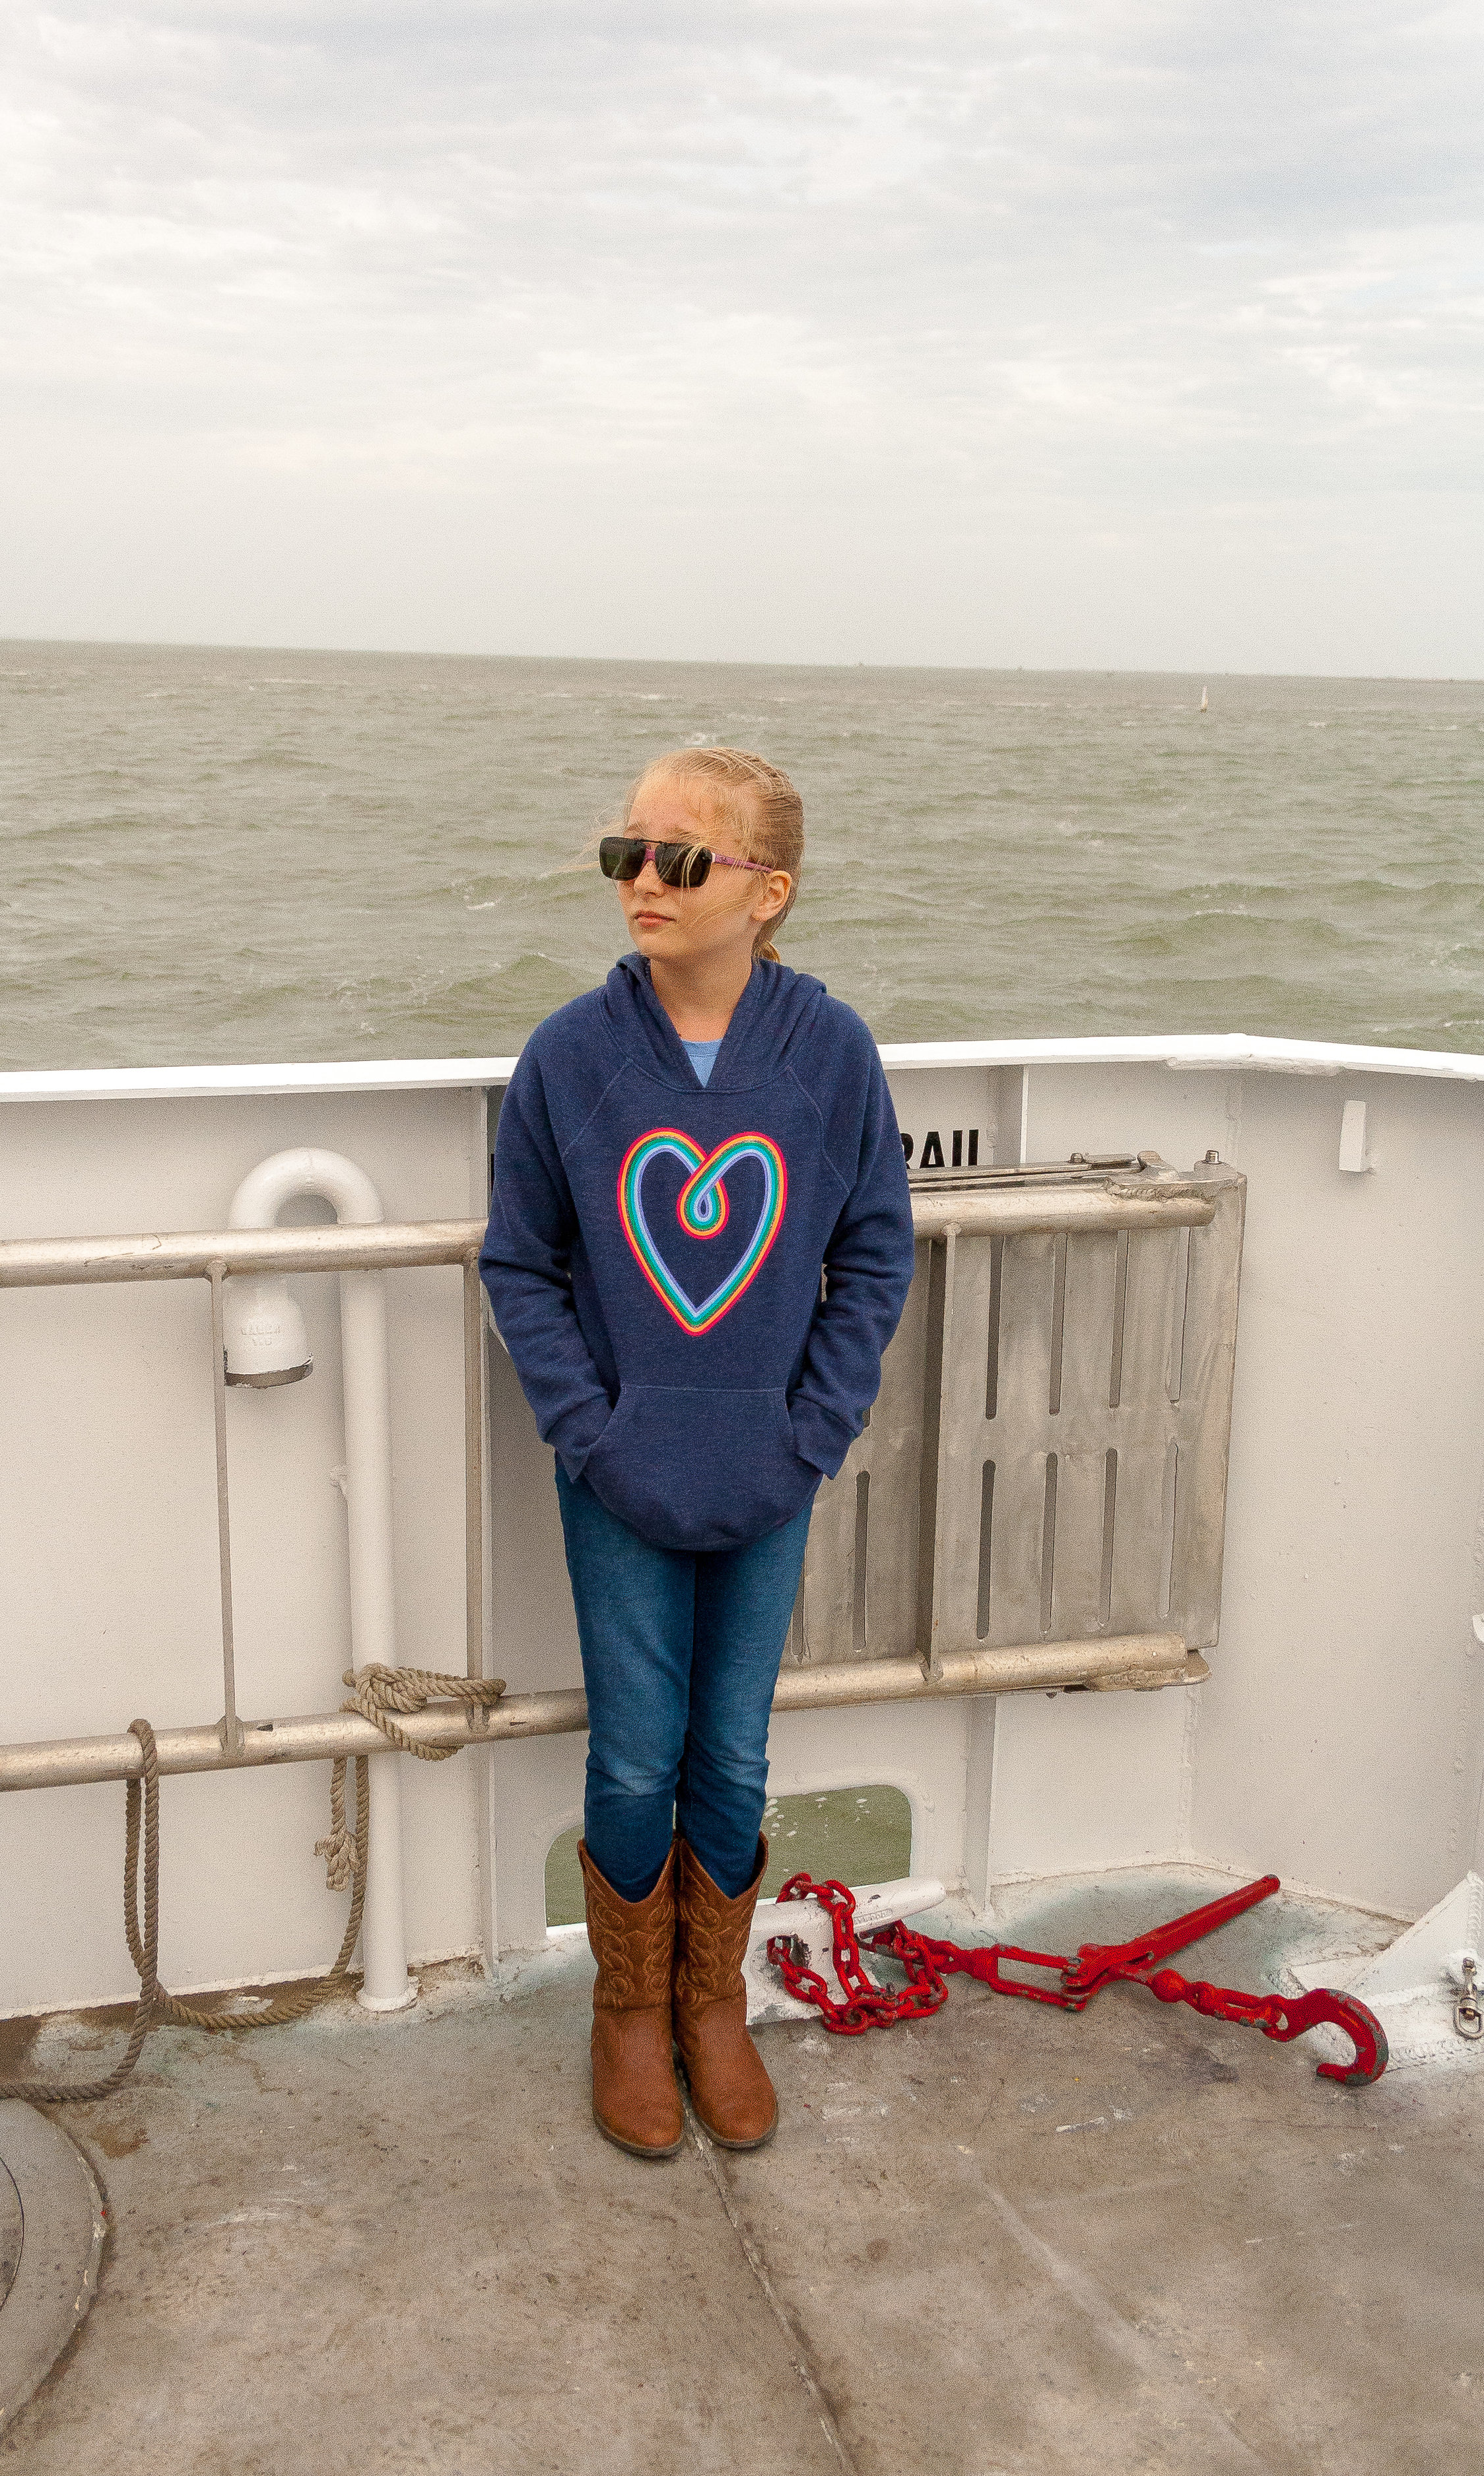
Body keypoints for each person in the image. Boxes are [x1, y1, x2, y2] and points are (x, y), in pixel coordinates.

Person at [480, 747, 913, 2159]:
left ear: (765, 892)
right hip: (619, 1477)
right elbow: (521, 1261)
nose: (640, 883)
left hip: (768, 1470)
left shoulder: (829, 1055)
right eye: (625, 854)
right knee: (631, 1757)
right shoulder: (570, 1057)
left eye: (678, 859)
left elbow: (870, 1252)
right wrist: (589, 1429)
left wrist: (813, 1426)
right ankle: (625, 2012)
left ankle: (709, 2003)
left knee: (729, 1755)